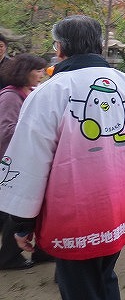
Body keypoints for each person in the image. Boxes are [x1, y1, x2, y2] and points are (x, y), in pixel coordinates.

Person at [0, 15, 125, 299]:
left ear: (59, 48)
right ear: (99, 44)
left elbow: (29, 161)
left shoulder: (49, 92)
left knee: (80, 286)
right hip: (120, 208)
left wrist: (22, 223)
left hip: (75, 215)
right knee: (105, 276)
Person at [0, 54, 51, 270]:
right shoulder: (11, 96)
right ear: (24, 71)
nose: (42, 74)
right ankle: (8, 257)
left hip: (28, 160)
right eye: (38, 70)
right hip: (16, 163)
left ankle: (41, 251)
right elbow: (6, 132)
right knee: (19, 211)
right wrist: (39, 129)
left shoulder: (28, 92)